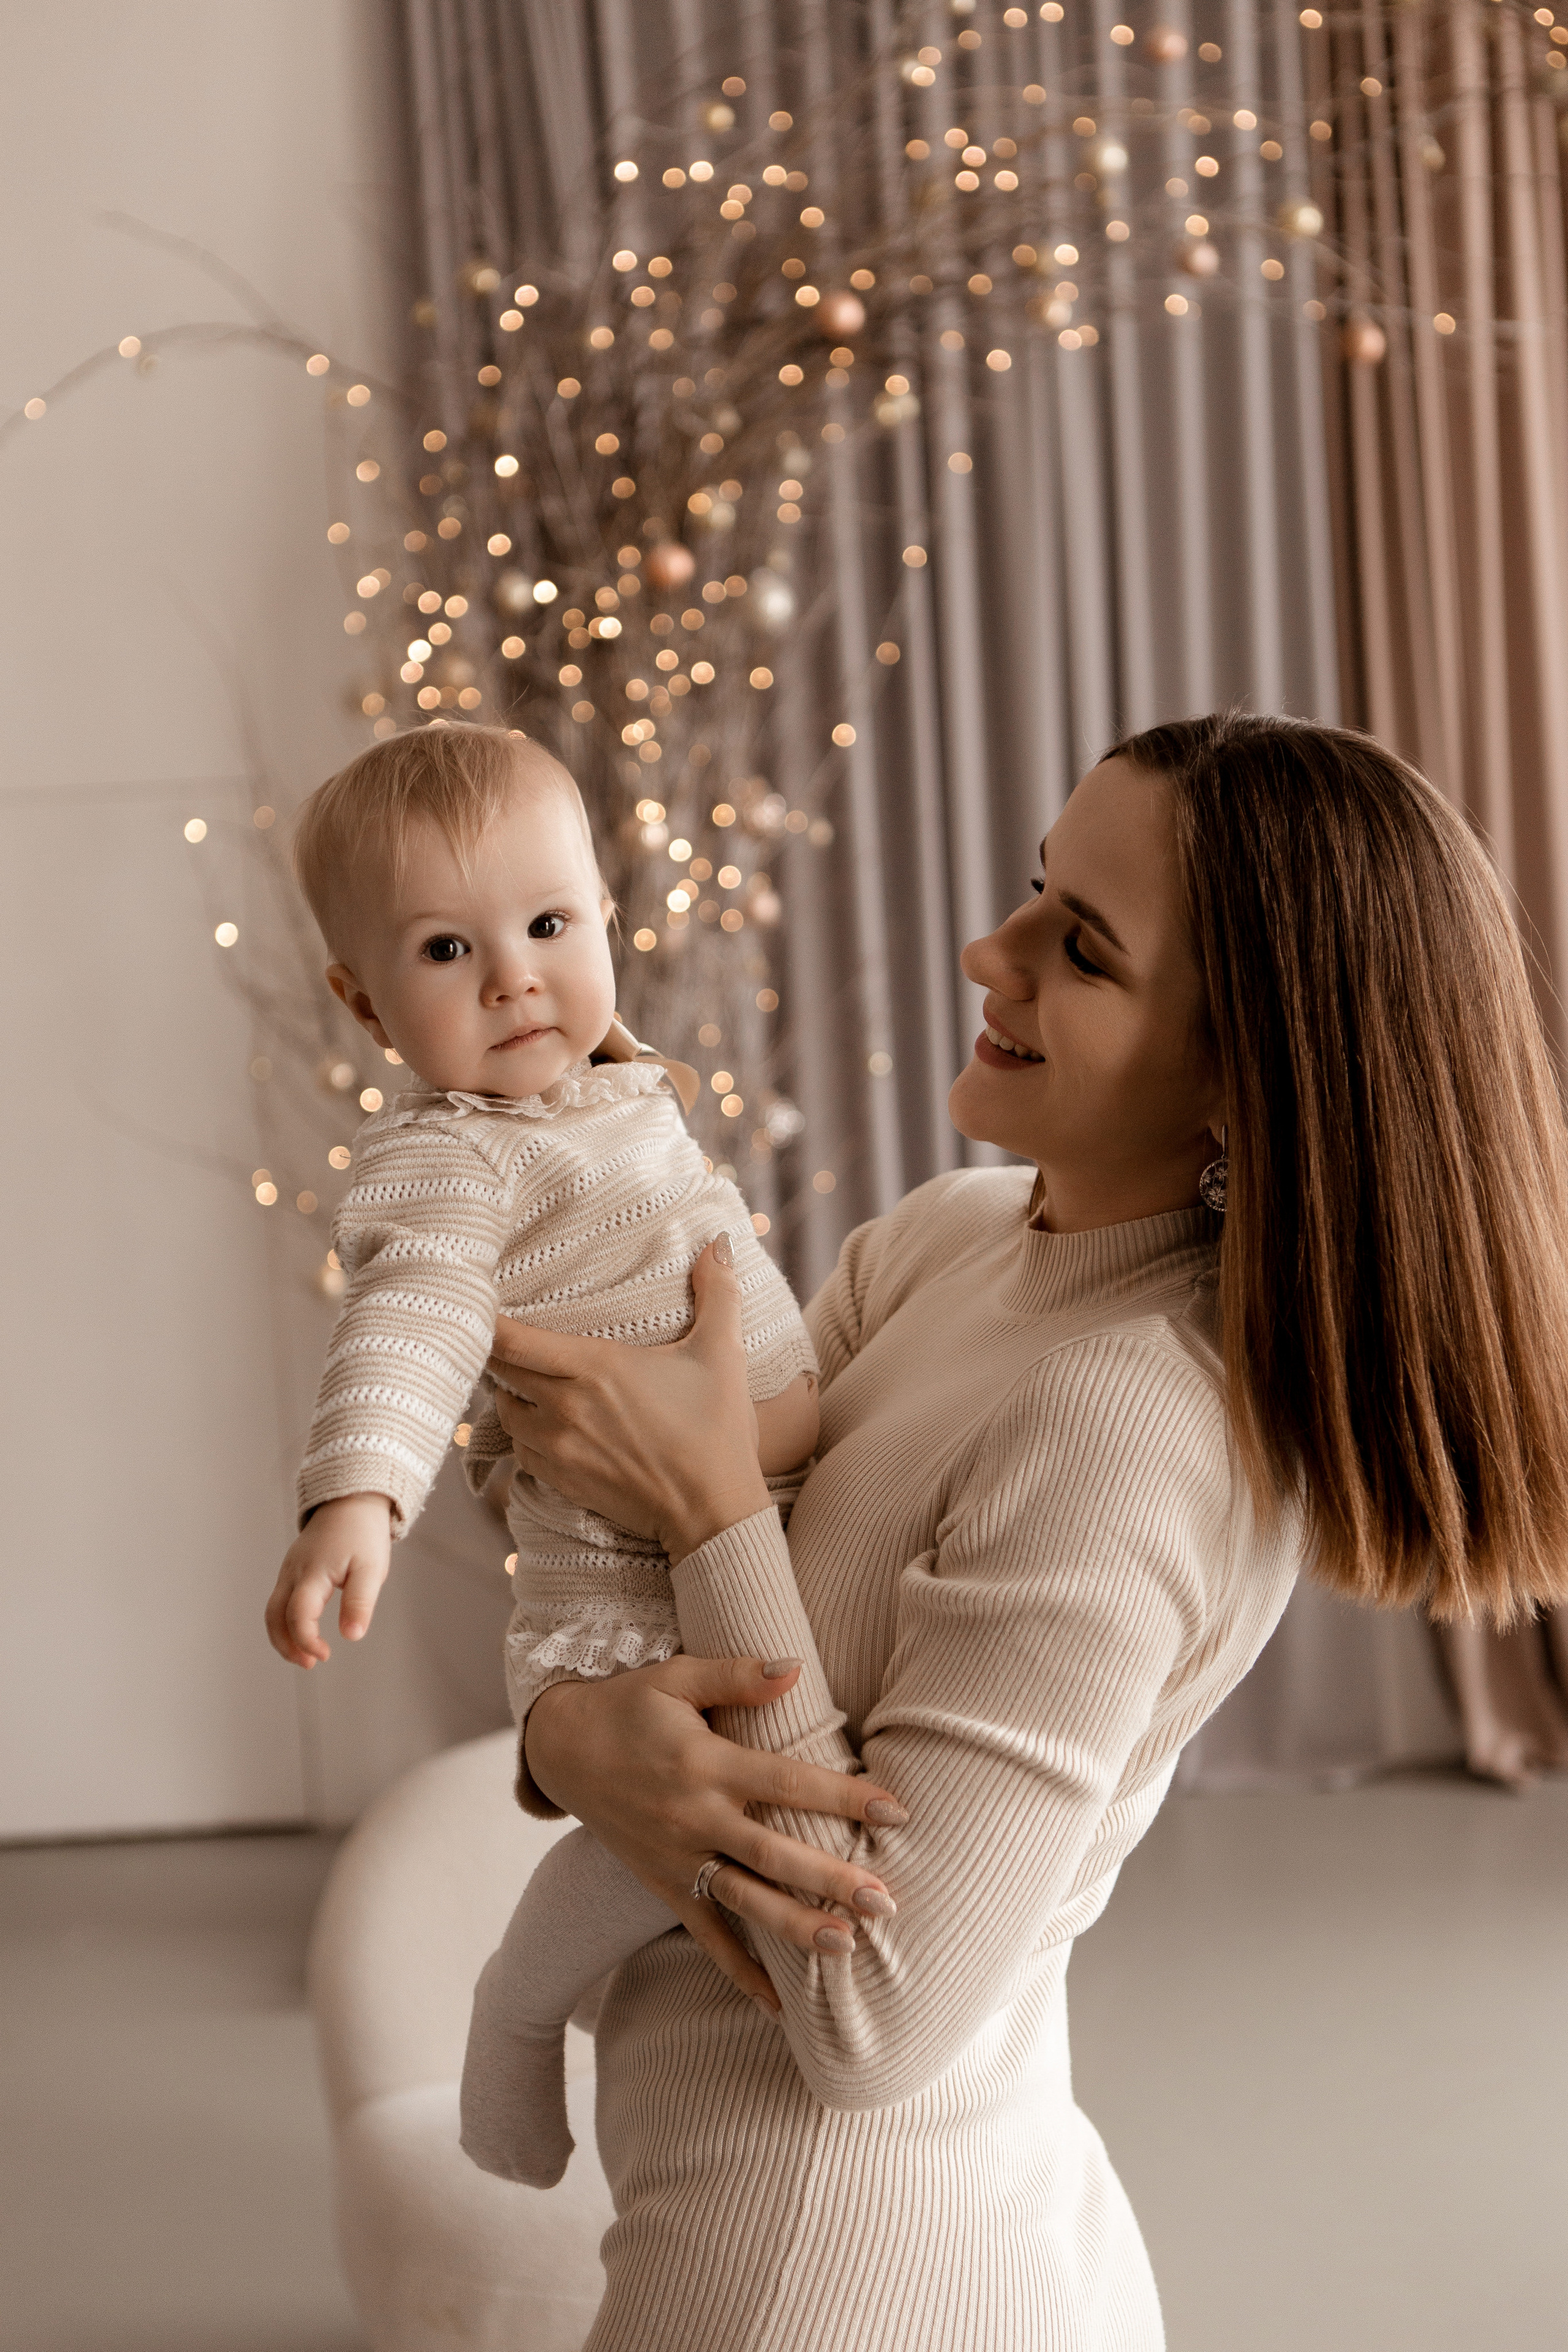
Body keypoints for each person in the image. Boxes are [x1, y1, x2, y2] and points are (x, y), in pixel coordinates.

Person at [478, 715, 1568, 2351]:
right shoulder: (955, 1239)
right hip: (749, 2195)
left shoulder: (1137, 1426)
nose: (991, 951)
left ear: (1240, 1066)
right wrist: (572, 1734)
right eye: (1035, 888)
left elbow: (871, 2017)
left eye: (1084, 948)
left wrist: (706, 1497)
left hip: (819, 2261)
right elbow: (606, 1538)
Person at [263, 725, 837, 2188]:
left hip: (752, 1515)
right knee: (675, 1828)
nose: (515, 975)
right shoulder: (451, 1164)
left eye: (547, 925)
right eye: (448, 950)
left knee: (763, 1798)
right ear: (366, 1002)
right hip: (628, 1579)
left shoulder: (616, 1086)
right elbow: (412, 1316)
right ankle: (517, 2012)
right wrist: (359, 1495)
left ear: (600, 919)